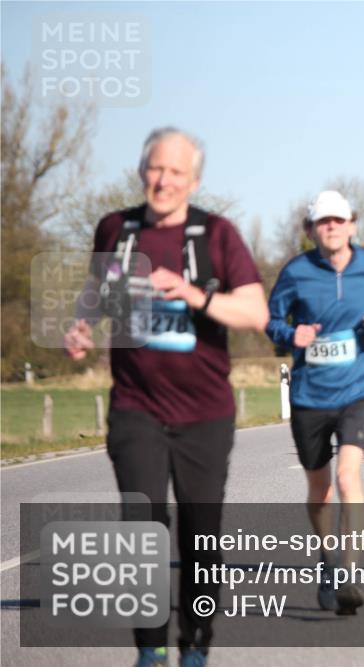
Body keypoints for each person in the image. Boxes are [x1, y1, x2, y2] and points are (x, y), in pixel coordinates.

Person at [63, 127, 268, 667]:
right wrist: (82, 328)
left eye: (177, 172)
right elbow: (97, 292)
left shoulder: (216, 234)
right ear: (141, 170)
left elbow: (255, 313)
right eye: (156, 168)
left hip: (205, 414)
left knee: (200, 536)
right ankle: (149, 649)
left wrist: (195, 294)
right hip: (136, 407)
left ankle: (195, 645)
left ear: (193, 181)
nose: (164, 180)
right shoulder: (117, 228)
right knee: (143, 526)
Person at [266, 190, 364, 615]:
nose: (332, 227)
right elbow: (271, 320)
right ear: (310, 230)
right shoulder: (296, 272)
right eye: (323, 221)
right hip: (308, 394)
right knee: (320, 490)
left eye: (339, 220)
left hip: (356, 389)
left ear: (352, 225)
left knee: (348, 478)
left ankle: (349, 574)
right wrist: (291, 336)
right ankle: (327, 559)